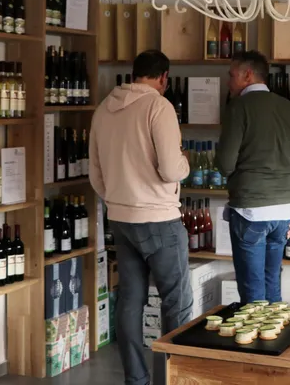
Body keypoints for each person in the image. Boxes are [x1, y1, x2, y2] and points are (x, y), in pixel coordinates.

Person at [89, 50, 192, 385]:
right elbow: (170, 170)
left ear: (133, 74)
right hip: (159, 219)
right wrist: (185, 161)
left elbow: (96, 173)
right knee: (176, 303)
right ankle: (170, 378)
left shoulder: (104, 109)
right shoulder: (158, 107)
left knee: (130, 301)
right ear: (164, 77)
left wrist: (119, 200)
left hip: (120, 218)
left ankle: (137, 380)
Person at [216, 51, 290, 303]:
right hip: (283, 214)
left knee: (252, 289)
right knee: (271, 282)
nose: (229, 82)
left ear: (247, 75)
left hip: (250, 211)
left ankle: (254, 342)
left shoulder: (238, 107)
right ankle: (274, 341)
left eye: (231, 76)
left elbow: (224, 164)